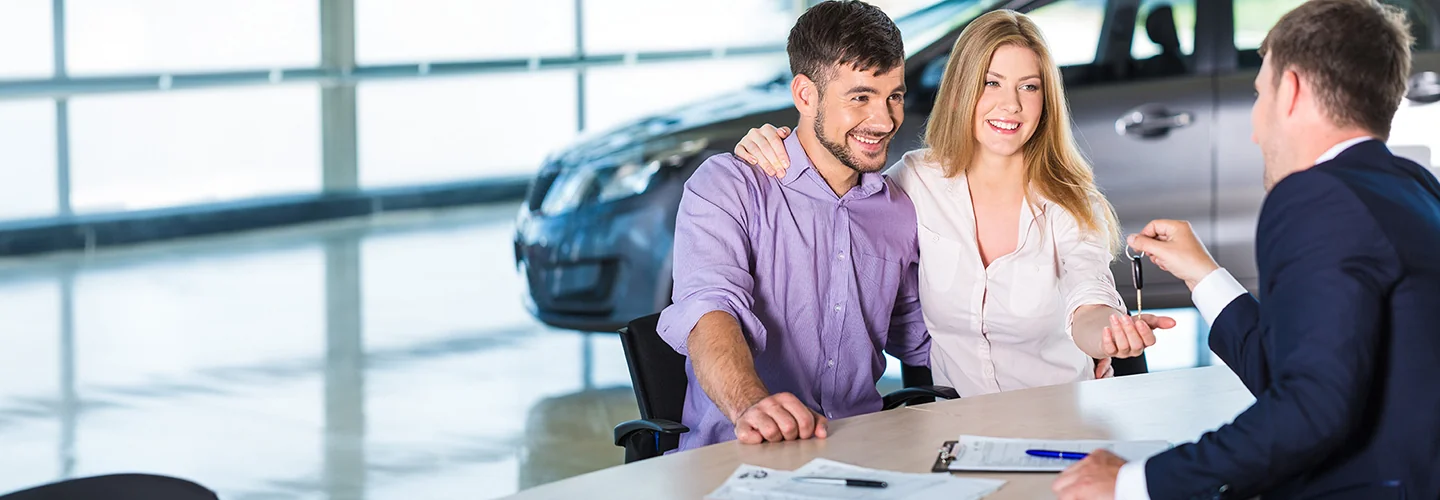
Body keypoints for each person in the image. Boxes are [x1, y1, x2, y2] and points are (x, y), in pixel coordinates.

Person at [1053, 1, 1440, 498]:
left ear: (1293, 90)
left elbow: (1309, 409)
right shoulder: (1412, 185)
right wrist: (1203, 275)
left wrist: (1133, 482)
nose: (1255, 130)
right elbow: (1304, 374)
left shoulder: (1317, 197)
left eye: (1260, 95)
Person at [731, 10, 1175, 397]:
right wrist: (775, 143)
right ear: (963, 89)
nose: (1011, 105)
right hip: (956, 433)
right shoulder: (914, 181)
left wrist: (1110, 336)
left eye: (1029, 87)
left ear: (1046, 100)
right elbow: (837, 190)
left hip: (1058, 422)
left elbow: (1089, 297)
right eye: (992, 83)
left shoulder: (1071, 203)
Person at [656, 0, 931, 452]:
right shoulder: (729, 186)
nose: (884, 121)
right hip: (739, 454)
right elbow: (710, 308)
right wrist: (751, 405)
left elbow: (924, 336)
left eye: (894, 96)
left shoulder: (900, 210)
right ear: (805, 95)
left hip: (860, 451)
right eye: (860, 97)